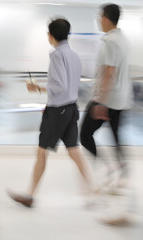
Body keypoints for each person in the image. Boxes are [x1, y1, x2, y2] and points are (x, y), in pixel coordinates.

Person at [7, 18, 93, 207]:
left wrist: (37, 88)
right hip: (71, 108)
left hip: (58, 111)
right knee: (74, 151)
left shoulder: (56, 55)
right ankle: (92, 192)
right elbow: (71, 85)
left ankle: (29, 196)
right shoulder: (75, 56)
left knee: (41, 151)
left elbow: (59, 85)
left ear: (51, 35)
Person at [80, 3, 133, 188]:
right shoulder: (123, 39)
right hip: (121, 99)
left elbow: (109, 73)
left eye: (99, 16)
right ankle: (123, 174)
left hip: (107, 99)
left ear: (105, 18)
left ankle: (107, 168)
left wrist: (100, 102)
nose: (98, 20)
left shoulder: (110, 42)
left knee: (85, 135)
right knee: (116, 135)